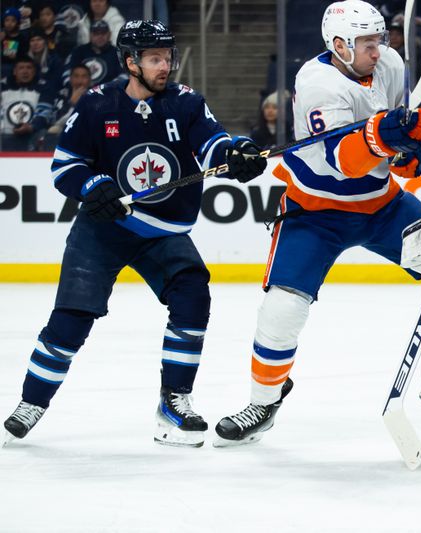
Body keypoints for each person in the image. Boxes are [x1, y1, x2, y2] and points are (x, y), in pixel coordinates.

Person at [213, 0, 421, 447]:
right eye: (367, 42)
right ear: (339, 45)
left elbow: (403, 161)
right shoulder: (316, 83)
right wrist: (382, 135)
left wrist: (409, 149)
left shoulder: (389, 63)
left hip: (382, 206)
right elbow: (343, 162)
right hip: (315, 212)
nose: (379, 48)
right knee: (283, 308)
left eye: (380, 38)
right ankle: (264, 400)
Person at [2, 20, 267, 446]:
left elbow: (213, 143)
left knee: (192, 292)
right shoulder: (95, 106)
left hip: (161, 231)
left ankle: (173, 402)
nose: (167, 66)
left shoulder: (186, 103)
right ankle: (32, 401)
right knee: (72, 318)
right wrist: (93, 186)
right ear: (130, 62)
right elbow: (65, 166)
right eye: (156, 59)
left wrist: (236, 153)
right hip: (103, 230)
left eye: (169, 57)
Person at [1, 56, 54, 151]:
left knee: (44, 134)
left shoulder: (44, 87)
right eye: (21, 68)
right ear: (14, 71)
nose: (25, 71)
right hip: (3, 135)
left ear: (34, 72)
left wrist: (31, 127)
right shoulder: (3, 87)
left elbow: (44, 113)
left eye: (29, 68)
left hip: (31, 135)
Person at [63, 19, 122, 86]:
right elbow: (66, 74)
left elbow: (124, 77)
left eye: (103, 33)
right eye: (96, 34)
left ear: (109, 35)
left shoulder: (117, 53)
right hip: (81, 93)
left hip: (108, 94)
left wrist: (108, 89)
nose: (100, 37)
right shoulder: (78, 51)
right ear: (90, 35)